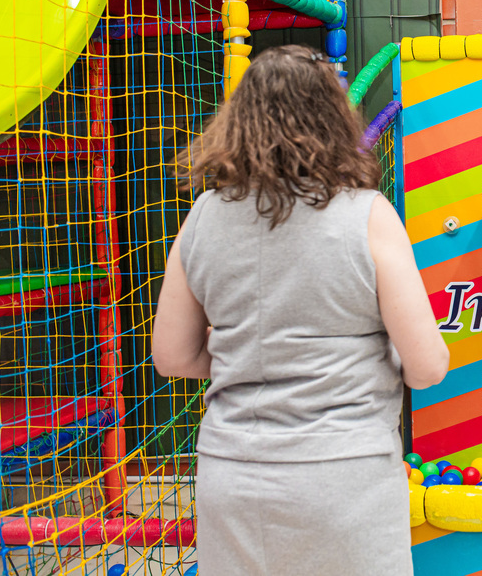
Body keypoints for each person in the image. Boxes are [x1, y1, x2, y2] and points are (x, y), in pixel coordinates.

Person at [152, 45, 448, 575]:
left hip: (233, 475)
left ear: (239, 121)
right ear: (333, 119)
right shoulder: (367, 215)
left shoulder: (203, 216)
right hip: (344, 474)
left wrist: (253, 353)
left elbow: (173, 355)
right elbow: (426, 366)